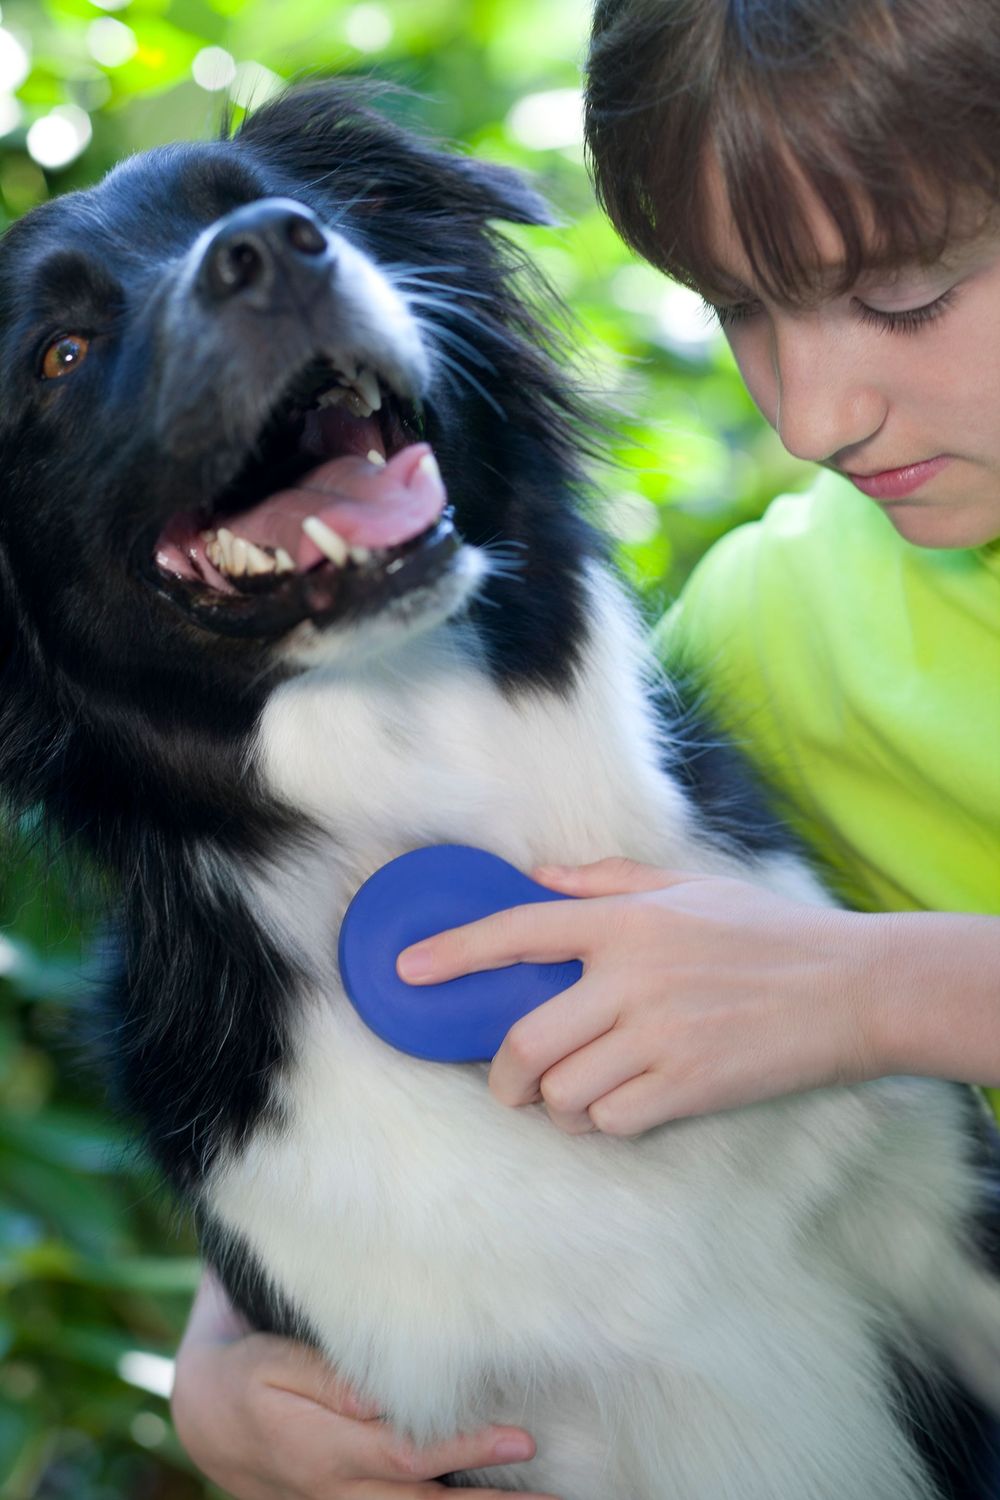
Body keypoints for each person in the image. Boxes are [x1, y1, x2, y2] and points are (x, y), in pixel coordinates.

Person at [170, 0, 1000, 1494]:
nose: (815, 414)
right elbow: (404, 967)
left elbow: (837, 1005)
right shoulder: (766, 637)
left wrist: (887, 994)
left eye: (905, 295)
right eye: (745, 309)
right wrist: (224, 1357)